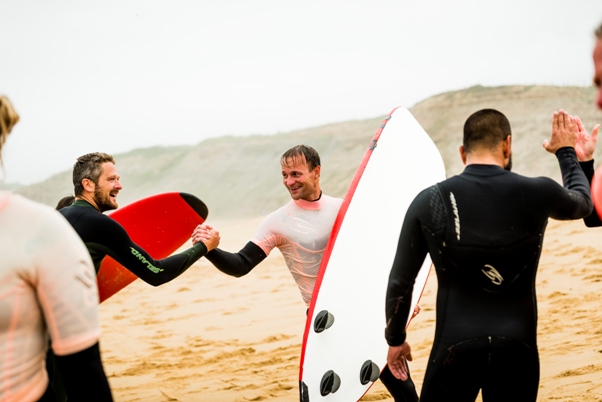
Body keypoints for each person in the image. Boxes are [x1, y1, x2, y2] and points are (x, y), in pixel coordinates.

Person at [384, 109, 594, 402]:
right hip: (517, 350)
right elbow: (585, 204)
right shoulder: (538, 190)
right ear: (507, 145)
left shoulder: (429, 201)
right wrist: (569, 153)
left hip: (454, 349)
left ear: (462, 152)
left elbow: (400, 282)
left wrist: (396, 340)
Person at [192, 144, 419, 401]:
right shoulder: (278, 222)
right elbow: (241, 265)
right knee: (319, 396)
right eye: (284, 175)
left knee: (405, 390)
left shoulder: (344, 210)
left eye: (296, 174)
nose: (289, 181)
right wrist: (209, 250)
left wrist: (403, 302)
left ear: (316, 171)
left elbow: (376, 261)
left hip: (365, 313)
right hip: (325, 323)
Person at [0, 95, 113, 401]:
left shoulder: (43, 227)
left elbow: (83, 370)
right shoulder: (41, 228)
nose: (119, 185)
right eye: (112, 179)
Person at [59, 152, 220, 284]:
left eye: (118, 179)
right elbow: (157, 273)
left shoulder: (57, 217)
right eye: (111, 179)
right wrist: (204, 247)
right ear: (88, 185)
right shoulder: (101, 225)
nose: (119, 186)